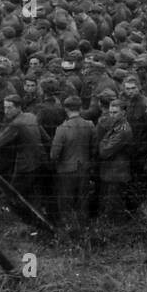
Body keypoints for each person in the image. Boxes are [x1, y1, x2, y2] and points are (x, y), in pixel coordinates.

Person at [50, 95, 96, 225]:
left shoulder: (62, 129)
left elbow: (54, 154)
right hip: (85, 168)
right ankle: (83, 227)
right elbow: (94, 147)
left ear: (66, 109)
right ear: (80, 108)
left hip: (66, 170)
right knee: (83, 201)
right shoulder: (90, 125)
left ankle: (69, 227)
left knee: (66, 202)